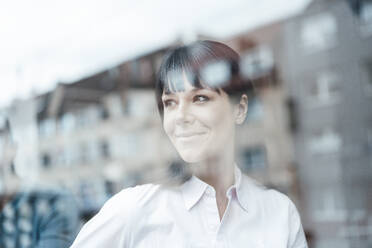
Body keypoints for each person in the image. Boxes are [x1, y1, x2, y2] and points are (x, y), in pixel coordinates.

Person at [70, 40, 308, 248]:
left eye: (200, 98)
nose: (180, 116)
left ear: (240, 108)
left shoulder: (279, 213)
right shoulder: (135, 210)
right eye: (170, 103)